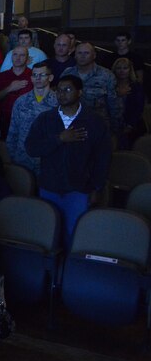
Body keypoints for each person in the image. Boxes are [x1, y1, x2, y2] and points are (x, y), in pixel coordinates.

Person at [26, 75, 112, 250]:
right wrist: (59, 139)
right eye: (59, 90)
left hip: (79, 189)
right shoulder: (46, 119)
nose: (62, 94)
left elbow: (102, 158)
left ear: (79, 92)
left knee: (74, 237)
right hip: (49, 187)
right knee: (48, 235)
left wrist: (97, 188)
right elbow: (31, 148)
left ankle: (68, 272)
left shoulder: (94, 121)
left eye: (68, 90)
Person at [6, 60, 58, 174]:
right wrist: (12, 156)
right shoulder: (21, 101)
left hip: (47, 161)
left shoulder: (58, 102)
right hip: (22, 158)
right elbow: (13, 132)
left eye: (42, 75)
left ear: (50, 77)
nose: (37, 78)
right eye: (34, 75)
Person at [62, 42, 122, 134]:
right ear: (75, 55)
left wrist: (115, 127)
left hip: (99, 124)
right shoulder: (67, 74)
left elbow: (114, 103)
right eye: (79, 53)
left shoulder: (106, 75)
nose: (82, 56)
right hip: (72, 126)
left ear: (94, 55)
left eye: (86, 53)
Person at [0, 45, 32, 136]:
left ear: (27, 58)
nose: (18, 58)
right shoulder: (1, 76)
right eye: (15, 54)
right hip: (3, 122)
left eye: (22, 55)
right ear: (11, 56)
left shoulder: (33, 76)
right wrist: (9, 89)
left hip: (26, 123)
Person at [113, 57, 146, 149]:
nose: (122, 71)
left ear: (130, 70)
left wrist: (130, 125)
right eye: (119, 68)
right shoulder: (110, 86)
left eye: (125, 68)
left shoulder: (136, 86)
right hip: (113, 122)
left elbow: (139, 108)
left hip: (132, 123)